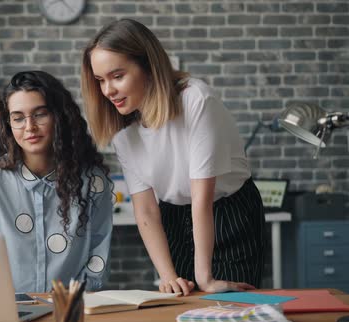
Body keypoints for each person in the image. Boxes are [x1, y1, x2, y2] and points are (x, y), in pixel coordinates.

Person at [81, 19, 266, 295]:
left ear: (148, 66)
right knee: (179, 302)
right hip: (174, 218)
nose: (108, 91)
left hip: (228, 213)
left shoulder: (195, 99)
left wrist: (205, 278)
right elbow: (145, 211)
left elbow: (202, 197)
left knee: (226, 310)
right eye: (100, 81)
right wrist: (167, 275)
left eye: (117, 76)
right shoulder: (123, 133)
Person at [0, 71, 113, 293]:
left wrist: (74, 303)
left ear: (59, 116)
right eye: (18, 118)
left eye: (40, 114)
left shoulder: (93, 182)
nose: (29, 127)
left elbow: (98, 255)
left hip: (69, 312)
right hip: (2, 315)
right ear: (9, 124)